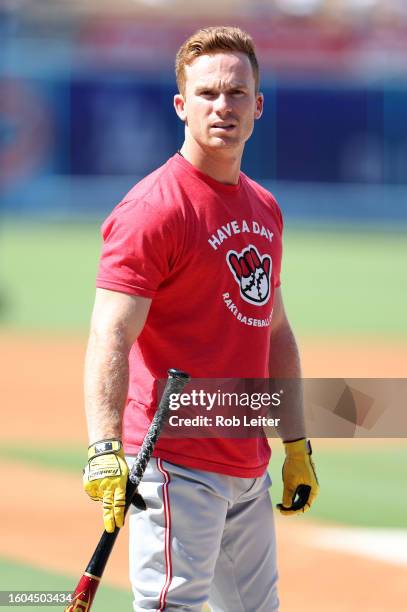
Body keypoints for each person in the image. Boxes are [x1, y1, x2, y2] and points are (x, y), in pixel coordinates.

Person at [83, 26, 319, 612]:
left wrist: (295, 443)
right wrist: (103, 448)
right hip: (174, 460)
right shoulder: (153, 210)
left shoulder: (264, 207)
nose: (223, 106)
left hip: (246, 461)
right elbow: (111, 333)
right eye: (208, 93)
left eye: (237, 93)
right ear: (180, 105)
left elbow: (276, 330)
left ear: (258, 106)